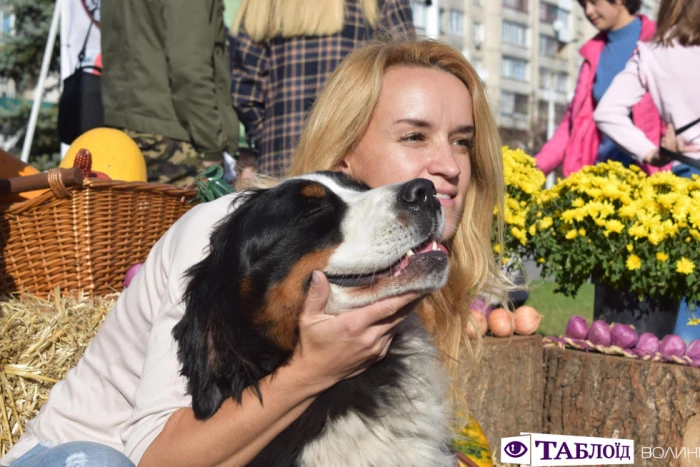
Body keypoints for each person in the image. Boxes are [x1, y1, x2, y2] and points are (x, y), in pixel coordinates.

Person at [1, 39, 509, 467]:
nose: (447, 166)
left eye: (462, 142)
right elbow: (153, 458)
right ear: (343, 154)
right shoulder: (228, 235)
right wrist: (313, 370)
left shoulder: (379, 260)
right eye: (414, 136)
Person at [594, 0, 700, 342]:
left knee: (692, 297)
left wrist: (652, 152)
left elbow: (606, 112)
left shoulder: (652, 54)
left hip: (688, 181)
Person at [230, 0, 415, 178]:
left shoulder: (264, 4)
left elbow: (245, 91)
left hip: (280, 157)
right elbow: (407, 72)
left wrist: (268, 138)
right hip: (353, 154)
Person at [100, 0, 240, 186]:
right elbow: (189, 69)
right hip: (174, 137)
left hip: (126, 130)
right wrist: (210, 147)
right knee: (187, 214)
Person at [535, 0, 667, 178]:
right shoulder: (593, 52)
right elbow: (572, 124)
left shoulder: (660, 41)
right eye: (583, 5)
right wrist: (534, 169)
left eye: (594, 2)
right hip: (601, 180)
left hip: (656, 175)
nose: (589, 11)